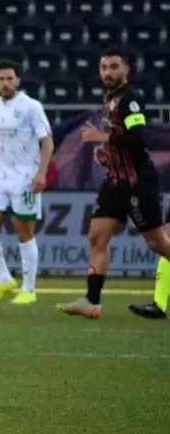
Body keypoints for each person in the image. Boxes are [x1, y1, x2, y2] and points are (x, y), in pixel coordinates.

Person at [58, 50, 170, 320]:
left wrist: (101, 137)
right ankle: (92, 301)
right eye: (104, 67)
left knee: (157, 243)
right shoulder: (109, 98)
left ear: (126, 70)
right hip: (115, 182)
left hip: (137, 183)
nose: (108, 72)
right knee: (97, 237)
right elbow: (119, 141)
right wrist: (104, 151)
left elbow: (138, 138)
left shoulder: (131, 101)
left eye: (114, 67)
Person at [0, 60, 53, 305]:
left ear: (18, 80)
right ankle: (4, 278)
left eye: (10, 78)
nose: (5, 83)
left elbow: (47, 141)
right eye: (1, 79)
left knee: (24, 233)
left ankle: (29, 289)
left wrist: (41, 173)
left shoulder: (31, 106)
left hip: (24, 179)